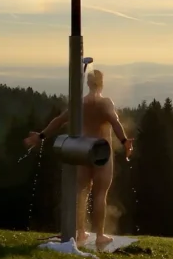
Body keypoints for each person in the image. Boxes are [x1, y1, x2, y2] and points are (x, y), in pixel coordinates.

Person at [24, 69, 133, 248]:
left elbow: (59, 121)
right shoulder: (105, 103)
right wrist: (124, 141)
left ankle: (80, 231)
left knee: (81, 192)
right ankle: (99, 236)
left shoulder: (79, 103)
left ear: (88, 84)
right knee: (100, 194)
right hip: (101, 149)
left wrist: (40, 136)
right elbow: (115, 122)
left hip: (82, 149)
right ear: (102, 83)